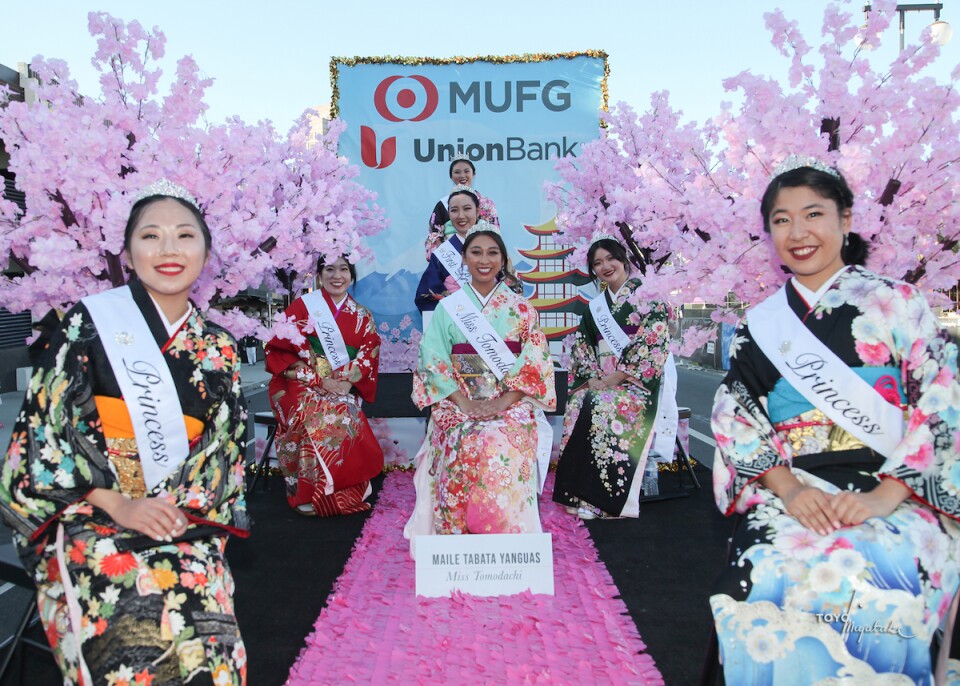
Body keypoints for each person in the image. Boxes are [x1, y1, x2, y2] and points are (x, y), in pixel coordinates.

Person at [709, 157, 960, 683]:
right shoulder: (762, 323)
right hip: (793, 484)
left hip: (895, 484)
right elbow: (738, 412)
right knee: (765, 568)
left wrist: (885, 496)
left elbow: (943, 399)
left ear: (845, 219)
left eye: (813, 214)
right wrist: (789, 490)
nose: (798, 232)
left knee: (885, 563)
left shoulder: (899, 302)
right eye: (782, 220)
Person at [0, 180, 250, 685]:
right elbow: (45, 429)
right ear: (129, 254)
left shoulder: (219, 347)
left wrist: (177, 513)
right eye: (150, 236)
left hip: (181, 516)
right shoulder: (88, 323)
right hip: (87, 512)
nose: (168, 249)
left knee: (212, 637)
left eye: (184, 236)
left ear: (206, 254)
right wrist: (118, 503)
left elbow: (223, 450)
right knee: (133, 625)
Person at [404, 223, 555, 550]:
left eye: (492, 253)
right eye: (476, 252)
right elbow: (432, 360)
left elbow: (535, 363)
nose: (484, 260)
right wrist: (464, 403)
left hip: (510, 401)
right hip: (457, 401)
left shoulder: (521, 309)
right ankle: (456, 538)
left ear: (503, 259)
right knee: (461, 438)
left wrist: (503, 402)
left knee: (501, 439)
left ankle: (506, 535)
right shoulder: (448, 308)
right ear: (464, 258)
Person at [552, 236, 673, 520]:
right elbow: (583, 347)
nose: (605, 266)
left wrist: (613, 379)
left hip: (636, 385)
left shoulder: (648, 297)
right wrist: (594, 378)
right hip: (602, 382)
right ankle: (576, 492)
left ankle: (603, 501)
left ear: (623, 259)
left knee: (601, 405)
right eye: (597, 263)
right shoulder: (596, 307)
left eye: (610, 258)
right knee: (578, 401)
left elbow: (652, 345)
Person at [265, 255, 384, 517]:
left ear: (351, 275)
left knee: (346, 412)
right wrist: (318, 380)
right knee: (309, 412)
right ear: (319, 275)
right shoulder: (302, 307)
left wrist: (347, 382)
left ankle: (343, 491)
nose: (337, 276)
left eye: (343, 269)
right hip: (298, 380)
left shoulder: (363, 315)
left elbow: (369, 353)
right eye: (329, 269)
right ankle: (307, 492)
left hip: (341, 383)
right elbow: (279, 349)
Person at [426, 152, 499, 248]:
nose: (462, 175)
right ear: (451, 176)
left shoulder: (487, 204)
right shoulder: (442, 204)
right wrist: (444, 251)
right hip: (450, 253)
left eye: (466, 171)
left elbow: (494, 232)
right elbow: (433, 234)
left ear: (473, 173)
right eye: (457, 172)